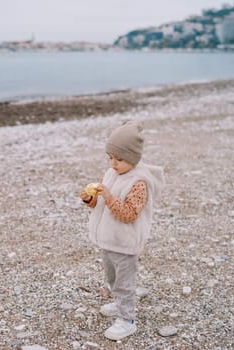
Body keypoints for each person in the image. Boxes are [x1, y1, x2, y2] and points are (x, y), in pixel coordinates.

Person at [80, 122, 165, 341]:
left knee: (124, 282)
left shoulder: (139, 183)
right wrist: (91, 199)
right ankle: (119, 302)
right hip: (108, 239)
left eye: (119, 159)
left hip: (125, 243)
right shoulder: (110, 173)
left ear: (133, 158)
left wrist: (108, 197)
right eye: (110, 157)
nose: (113, 163)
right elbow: (99, 204)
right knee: (111, 276)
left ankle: (127, 319)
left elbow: (128, 213)